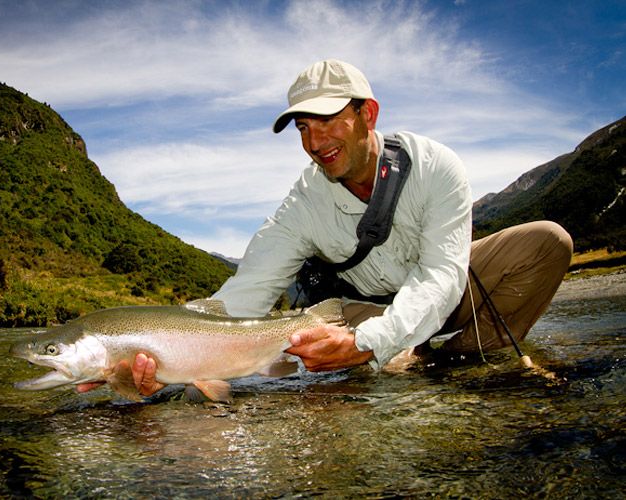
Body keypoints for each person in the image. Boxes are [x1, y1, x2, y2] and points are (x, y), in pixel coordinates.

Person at [78, 59, 573, 397]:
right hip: (361, 308)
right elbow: (244, 295)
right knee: (378, 356)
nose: (315, 141)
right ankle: (412, 358)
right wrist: (155, 349)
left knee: (546, 242)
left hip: (445, 287)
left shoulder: (436, 166)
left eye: (327, 121)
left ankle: (461, 363)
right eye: (302, 128)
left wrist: (369, 344)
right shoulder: (302, 204)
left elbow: (441, 276)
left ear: (367, 114)